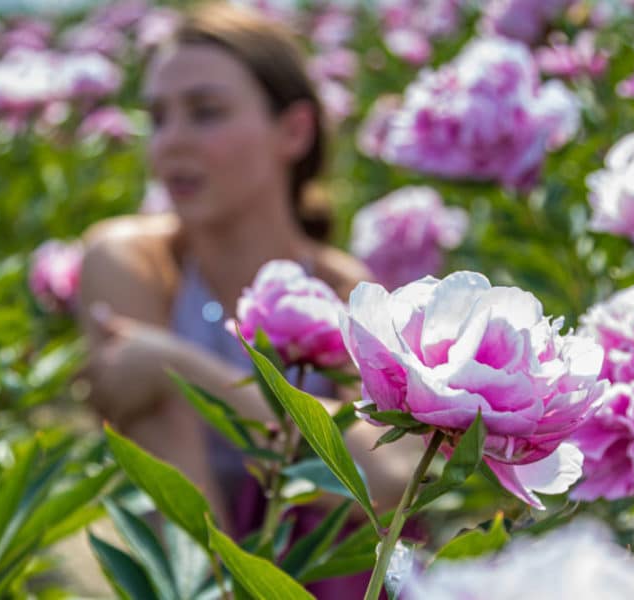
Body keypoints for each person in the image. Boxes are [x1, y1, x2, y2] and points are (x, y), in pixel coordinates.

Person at [77, 3, 421, 592]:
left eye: (205, 112)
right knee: (156, 406)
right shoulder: (133, 262)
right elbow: (171, 485)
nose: (171, 142)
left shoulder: (347, 290)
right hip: (198, 565)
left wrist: (182, 366)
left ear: (294, 130)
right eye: (158, 117)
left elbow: (387, 478)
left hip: (340, 569)